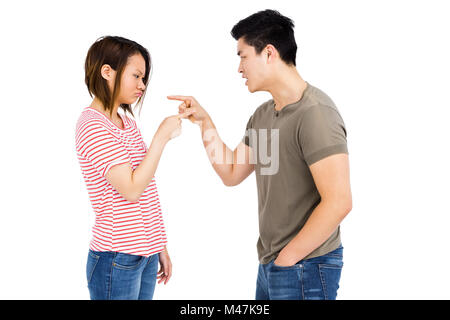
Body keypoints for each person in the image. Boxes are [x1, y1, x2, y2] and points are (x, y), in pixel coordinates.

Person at [168, 10, 352, 300]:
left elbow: (339, 201)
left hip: (306, 266)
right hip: (272, 265)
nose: (239, 68)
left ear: (269, 53)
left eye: (242, 56)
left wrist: (288, 259)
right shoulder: (264, 115)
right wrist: (205, 123)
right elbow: (231, 172)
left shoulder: (316, 114)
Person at [75, 36, 192, 300]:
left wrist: (158, 244)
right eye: (136, 76)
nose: (142, 85)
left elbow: (147, 189)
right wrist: (161, 136)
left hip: (144, 253)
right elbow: (130, 189)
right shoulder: (92, 125)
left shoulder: (127, 123)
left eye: (144, 78)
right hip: (116, 257)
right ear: (107, 72)